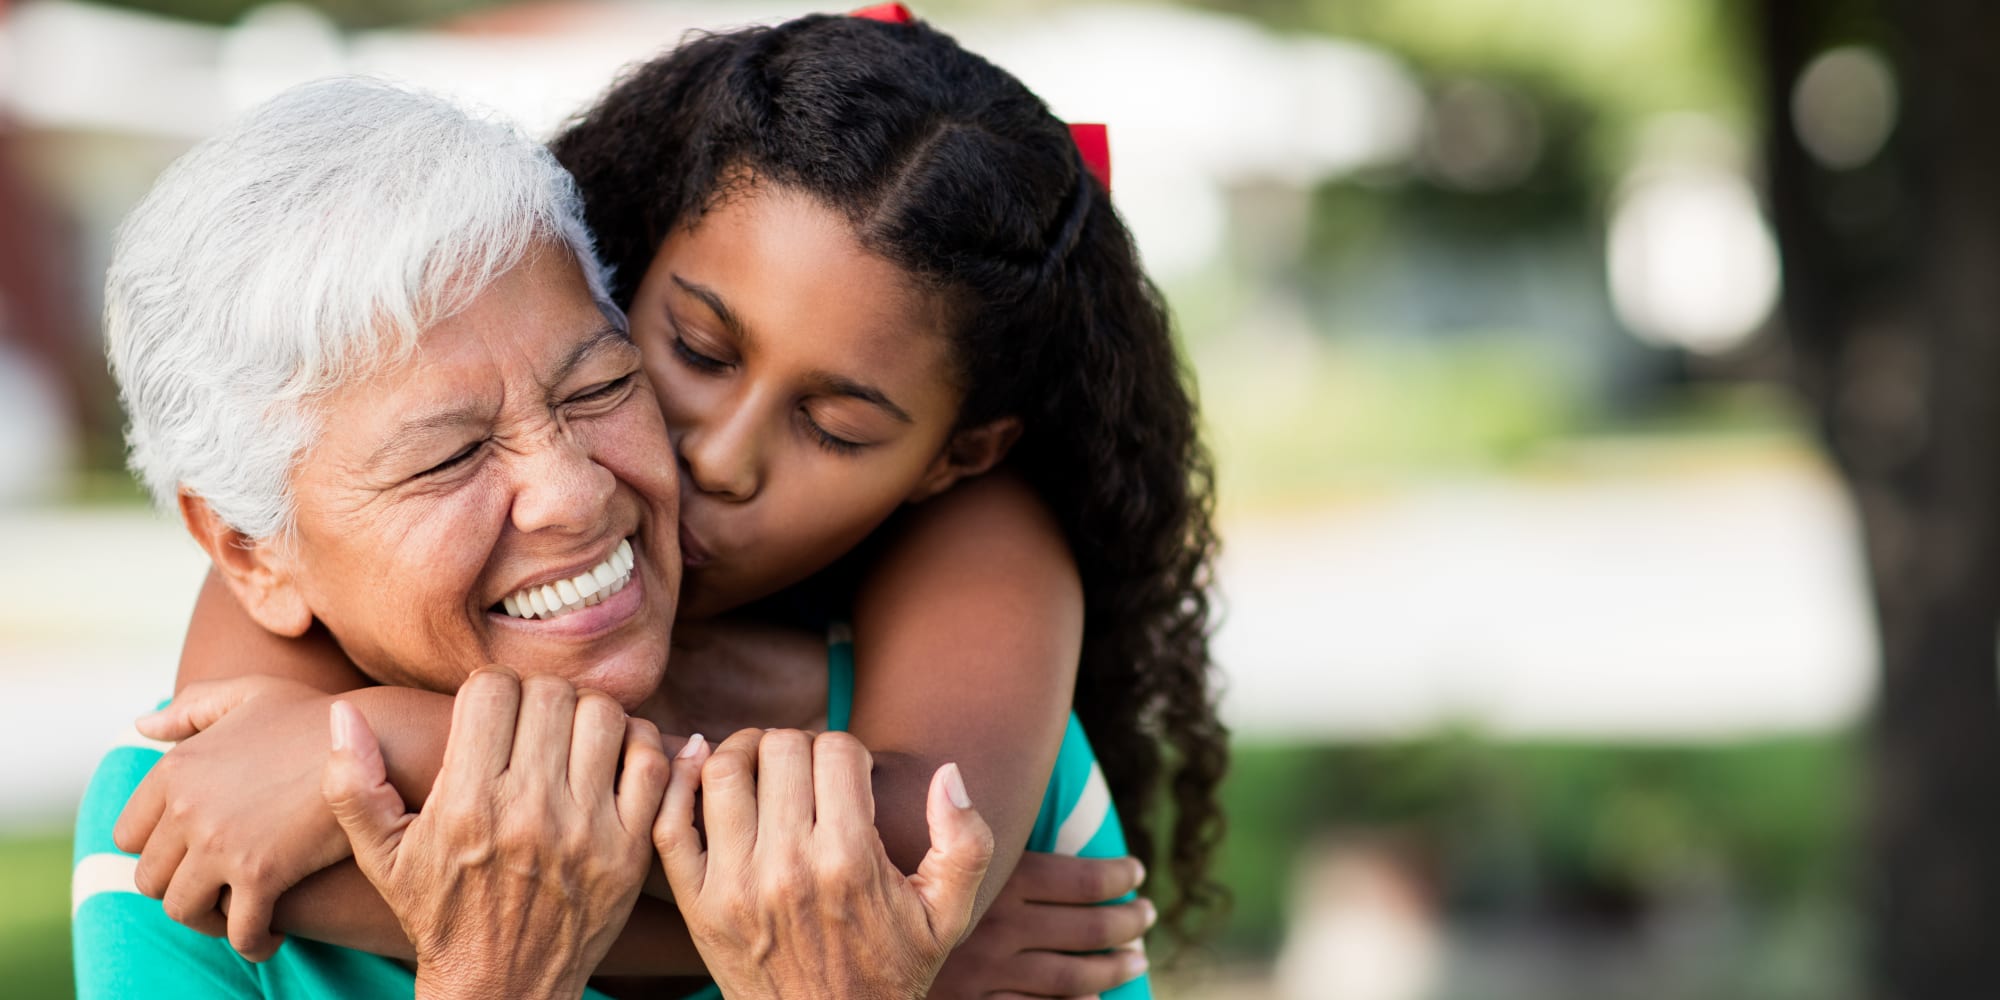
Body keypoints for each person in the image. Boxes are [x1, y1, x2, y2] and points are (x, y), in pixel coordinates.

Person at [106, 8, 1224, 998]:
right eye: (690, 349)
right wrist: (885, 943)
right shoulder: (254, 620)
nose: (717, 456)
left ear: (954, 456)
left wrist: (386, 747)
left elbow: (923, 849)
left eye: (835, 428)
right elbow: (222, 834)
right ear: (624, 269)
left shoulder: (981, 544)